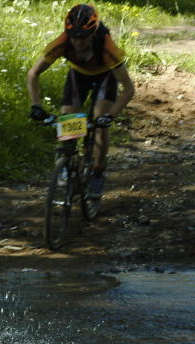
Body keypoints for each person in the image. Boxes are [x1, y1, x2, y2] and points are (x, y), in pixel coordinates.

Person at [27, 4, 135, 198]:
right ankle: (66, 157)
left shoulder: (107, 47)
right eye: (74, 36)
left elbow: (128, 89)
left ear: (93, 33)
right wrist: (35, 105)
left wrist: (110, 116)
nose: (77, 42)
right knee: (69, 117)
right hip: (78, 75)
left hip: (105, 76)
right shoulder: (62, 42)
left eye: (83, 37)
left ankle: (97, 172)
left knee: (99, 121)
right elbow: (33, 74)